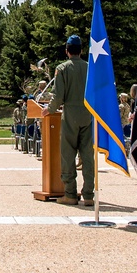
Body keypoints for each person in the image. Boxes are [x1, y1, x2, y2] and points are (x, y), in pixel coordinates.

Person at [42, 35, 94, 205]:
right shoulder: (90, 68)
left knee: (68, 154)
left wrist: (48, 109)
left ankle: (70, 193)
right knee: (87, 155)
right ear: (81, 50)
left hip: (70, 113)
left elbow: (58, 96)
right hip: (88, 113)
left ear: (67, 51)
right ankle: (88, 196)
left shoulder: (62, 69)